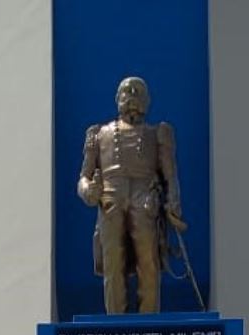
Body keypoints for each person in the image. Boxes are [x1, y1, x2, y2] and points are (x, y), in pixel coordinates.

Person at [77, 75, 184, 315]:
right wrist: (88, 191)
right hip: (110, 199)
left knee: (148, 262)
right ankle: (115, 321)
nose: (132, 96)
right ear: (117, 99)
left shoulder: (158, 134)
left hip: (145, 197)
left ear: (147, 101)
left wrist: (173, 201)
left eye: (139, 92)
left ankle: (149, 322)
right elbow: (83, 177)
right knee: (113, 262)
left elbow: (170, 175)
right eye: (127, 91)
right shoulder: (98, 134)